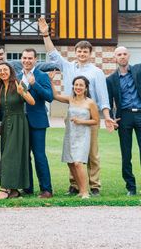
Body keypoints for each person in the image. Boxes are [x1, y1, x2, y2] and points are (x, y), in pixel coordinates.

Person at [38, 16, 115, 196]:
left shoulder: (97, 72)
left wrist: (107, 116)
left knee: (92, 153)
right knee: (72, 151)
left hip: (90, 114)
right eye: (79, 51)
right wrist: (45, 35)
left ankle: (94, 186)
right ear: (75, 52)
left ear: (90, 53)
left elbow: (103, 98)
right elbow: (53, 53)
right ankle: (74, 185)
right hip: (72, 112)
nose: (81, 54)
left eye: (85, 51)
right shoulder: (68, 66)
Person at [53, 76, 99, 199]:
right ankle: (80, 190)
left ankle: (85, 192)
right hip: (70, 134)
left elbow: (96, 121)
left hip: (83, 135)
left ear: (86, 88)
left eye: (81, 85)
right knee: (71, 163)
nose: (78, 87)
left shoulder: (90, 102)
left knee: (78, 162)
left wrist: (81, 121)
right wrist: (51, 81)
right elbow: (55, 96)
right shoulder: (70, 99)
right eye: (76, 85)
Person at [17, 48, 54, 199]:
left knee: (39, 155)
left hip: (37, 121)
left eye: (30, 58)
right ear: (21, 59)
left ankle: (46, 189)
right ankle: (27, 188)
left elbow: (49, 97)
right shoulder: (17, 76)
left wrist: (35, 84)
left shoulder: (41, 76)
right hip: (21, 121)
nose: (27, 61)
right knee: (24, 156)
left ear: (35, 60)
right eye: (24, 58)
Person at [0, 62, 35, 199]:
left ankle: (5, 188)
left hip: (18, 123)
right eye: (0, 70)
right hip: (6, 124)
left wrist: (22, 92)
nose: (2, 72)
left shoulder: (18, 83)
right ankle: (14, 190)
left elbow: (32, 102)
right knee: (7, 154)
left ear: (10, 71)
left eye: (5, 69)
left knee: (9, 156)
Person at [106, 46, 141, 195]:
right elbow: (108, 101)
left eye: (124, 54)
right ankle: (131, 187)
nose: (122, 56)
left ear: (129, 56)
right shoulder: (111, 79)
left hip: (140, 114)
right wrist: (112, 118)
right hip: (124, 117)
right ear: (115, 57)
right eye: (119, 54)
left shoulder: (139, 71)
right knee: (126, 154)